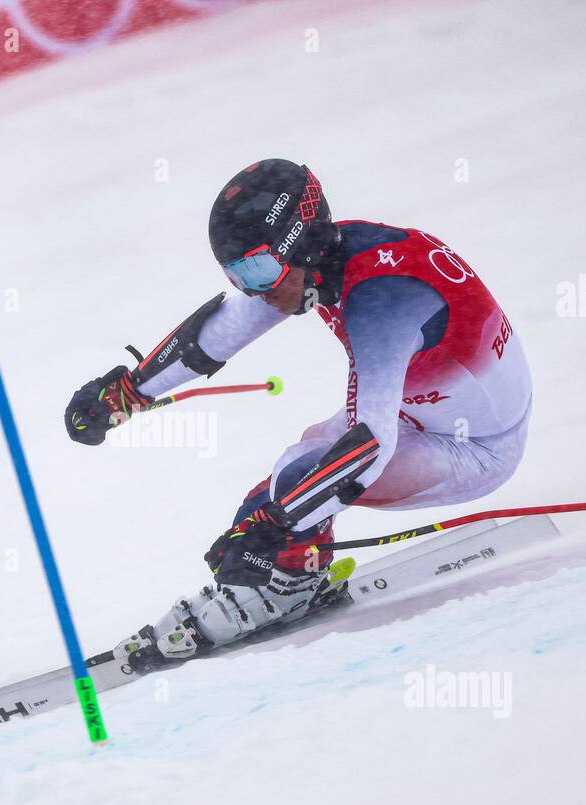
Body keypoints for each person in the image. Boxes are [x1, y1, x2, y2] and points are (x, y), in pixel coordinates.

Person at [65, 159, 532, 659]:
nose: (255, 288)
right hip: (423, 416)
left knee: (294, 480)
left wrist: (274, 527)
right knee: (281, 486)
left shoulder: (382, 298)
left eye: (260, 270)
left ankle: (285, 588)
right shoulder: (321, 261)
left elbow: (372, 444)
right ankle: (297, 572)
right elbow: (227, 328)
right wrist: (130, 391)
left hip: (476, 449)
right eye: (238, 274)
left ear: (302, 243)